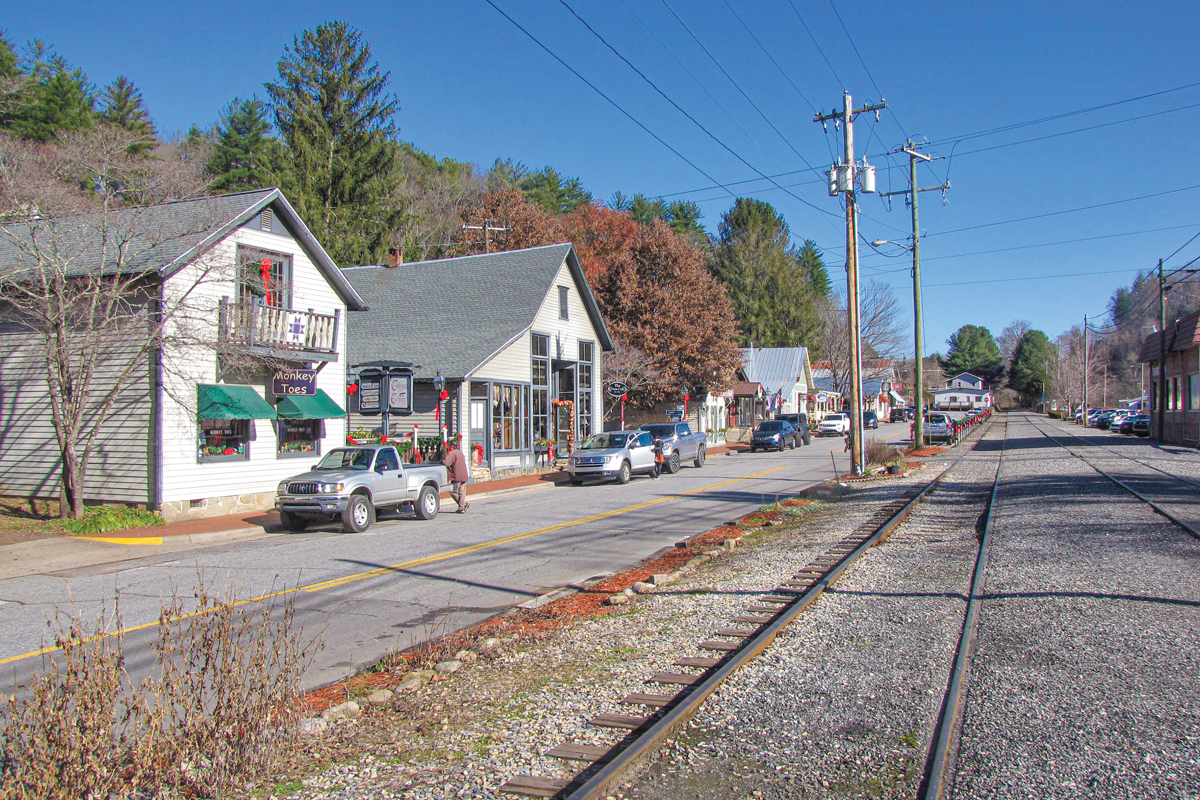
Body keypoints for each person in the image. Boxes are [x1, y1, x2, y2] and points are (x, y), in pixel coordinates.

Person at [442, 439, 470, 513]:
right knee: (462, 492)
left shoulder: (452, 453)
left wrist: (442, 460)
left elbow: (446, 463)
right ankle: (462, 507)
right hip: (464, 475)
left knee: (453, 492)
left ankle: (463, 505)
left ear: (451, 446)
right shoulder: (461, 453)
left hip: (456, 476)